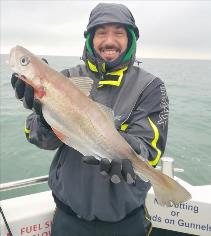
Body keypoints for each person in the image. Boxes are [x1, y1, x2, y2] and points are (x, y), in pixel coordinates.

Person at [11, 3, 169, 236]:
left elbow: (151, 148)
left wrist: (129, 150)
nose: (110, 40)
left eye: (119, 32)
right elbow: (40, 140)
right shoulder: (67, 77)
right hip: (68, 217)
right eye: (101, 32)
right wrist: (43, 116)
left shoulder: (150, 87)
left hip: (125, 222)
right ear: (90, 38)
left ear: (131, 39)